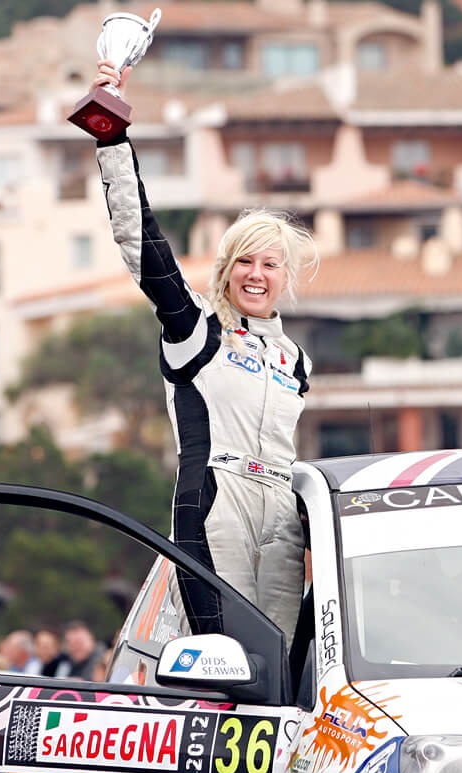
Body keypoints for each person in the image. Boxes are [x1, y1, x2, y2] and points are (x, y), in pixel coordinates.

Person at [90, 59, 315, 651]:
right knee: (229, 659)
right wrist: (112, 136)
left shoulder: (296, 360)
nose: (257, 275)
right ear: (225, 269)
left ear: (285, 275)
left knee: (286, 667)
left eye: (270, 263)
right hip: (217, 501)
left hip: (282, 515)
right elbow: (144, 247)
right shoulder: (198, 328)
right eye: (244, 261)